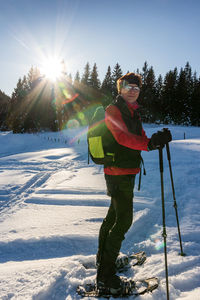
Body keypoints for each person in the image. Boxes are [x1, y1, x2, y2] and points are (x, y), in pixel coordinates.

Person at [96, 72, 172, 294]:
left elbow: (139, 137)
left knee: (112, 218)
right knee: (123, 221)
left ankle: (103, 262)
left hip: (126, 171)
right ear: (120, 88)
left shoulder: (133, 112)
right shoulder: (113, 110)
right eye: (128, 86)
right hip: (117, 173)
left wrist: (155, 140)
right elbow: (121, 137)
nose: (132, 90)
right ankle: (106, 277)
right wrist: (148, 144)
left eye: (136, 88)